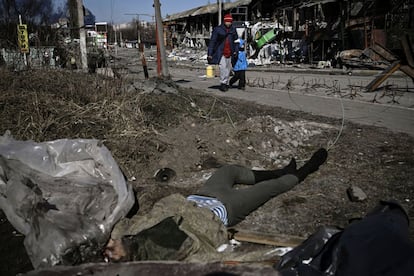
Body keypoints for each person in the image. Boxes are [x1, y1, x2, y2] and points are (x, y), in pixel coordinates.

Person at [104, 148, 328, 262]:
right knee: (271, 188)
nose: (112, 251)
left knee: (227, 170)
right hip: (225, 208)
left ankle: (279, 171)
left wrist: (115, 238)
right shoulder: (168, 259)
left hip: (200, 196)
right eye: (113, 254)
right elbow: (221, 258)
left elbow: (120, 223)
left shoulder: (130, 234)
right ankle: (306, 169)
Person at [207, 14, 239, 92]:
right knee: (223, 68)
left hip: (230, 52)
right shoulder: (218, 29)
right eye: (227, 21)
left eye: (230, 22)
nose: (228, 23)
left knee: (228, 69)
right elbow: (213, 42)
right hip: (220, 52)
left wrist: (236, 50)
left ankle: (226, 82)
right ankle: (223, 83)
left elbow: (236, 41)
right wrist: (210, 53)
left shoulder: (233, 30)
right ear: (224, 21)